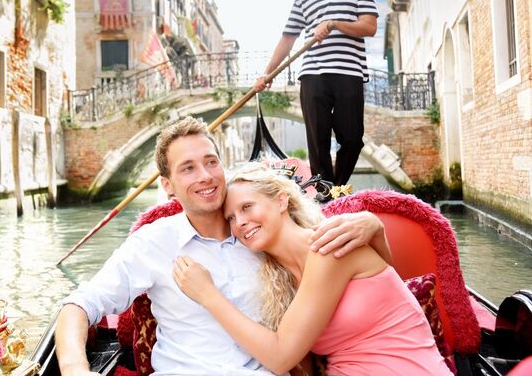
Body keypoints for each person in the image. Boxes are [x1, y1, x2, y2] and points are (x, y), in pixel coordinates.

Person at [56, 117, 392, 376]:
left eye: (211, 162)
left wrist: (374, 227)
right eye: (188, 168)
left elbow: (372, 280)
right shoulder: (153, 242)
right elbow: (80, 304)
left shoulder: (263, 234)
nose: (205, 175)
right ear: (168, 185)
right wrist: (74, 368)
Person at [173, 162, 452, 376]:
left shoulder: (329, 247)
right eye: (231, 218)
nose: (240, 222)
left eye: (247, 207)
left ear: (281, 201)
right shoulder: (280, 283)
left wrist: (209, 296)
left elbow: (280, 357)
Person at [253, 0, 378, 187]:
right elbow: (288, 38)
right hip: (313, 74)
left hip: (349, 72)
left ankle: (337, 188)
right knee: (317, 140)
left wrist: (334, 23)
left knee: (352, 138)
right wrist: (267, 73)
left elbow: (369, 27)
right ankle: (325, 191)